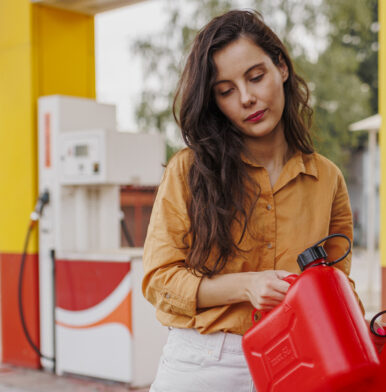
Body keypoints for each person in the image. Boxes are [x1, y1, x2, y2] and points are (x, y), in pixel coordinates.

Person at [142, 10, 364, 391]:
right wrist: (246, 286)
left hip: (300, 361)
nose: (247, 98)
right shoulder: (190, 170)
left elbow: (337, 285)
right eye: (226, 91)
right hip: (204, 363)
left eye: (255, 77)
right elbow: (160, 281)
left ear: (281, 67)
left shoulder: (327, 178)